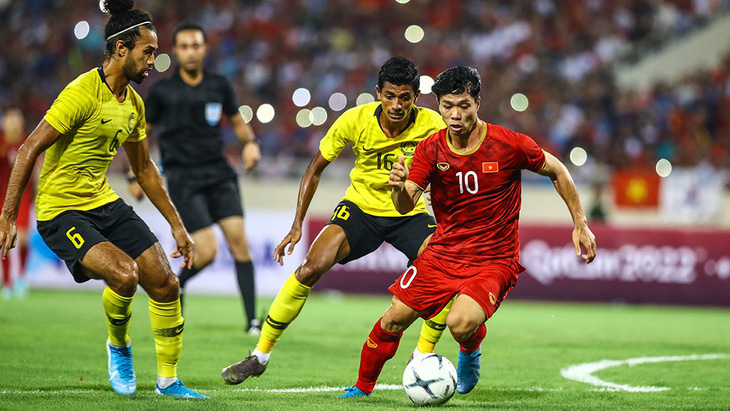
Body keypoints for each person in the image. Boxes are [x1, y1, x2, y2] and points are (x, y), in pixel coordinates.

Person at [339, 66, 597, 398]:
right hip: (443, 254)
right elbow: (405, 204)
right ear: (438, 105)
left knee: (459, 323)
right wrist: (398, 187)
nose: (455, 114)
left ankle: (470, 348)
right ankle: (362, 389)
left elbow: (558, 170)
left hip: (493, 260)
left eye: (463, 105)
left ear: (477, 101)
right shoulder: (430, 149)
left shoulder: (507, 144)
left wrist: (580, 223)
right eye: (447, 106)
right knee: (393, 319)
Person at [0, 0, 206, 399]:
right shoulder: (81, 93)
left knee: (165, 283)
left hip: (103, 202)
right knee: (125, 274)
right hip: (61, 210)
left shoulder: (133, 103)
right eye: (148, 52)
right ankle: (119, 346)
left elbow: (144, 170)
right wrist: (8, 216)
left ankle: (168, 382)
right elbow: (27, 150)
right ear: (122, 49)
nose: (153, 62)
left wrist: (178, 226)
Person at [221, 57, 453, 385]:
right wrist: (297, 224)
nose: (396, 105)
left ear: (416, 96)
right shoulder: (355, 120)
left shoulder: (434, 123)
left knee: (443, 268)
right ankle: (259, 355)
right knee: (309, 267)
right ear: (378, 93)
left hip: (409, 212)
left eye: (404, 97)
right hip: (360, 208)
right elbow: (314, 168)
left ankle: (422, 356)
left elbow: (461, 160)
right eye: (389, 96)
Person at [129, 22, 262, 335]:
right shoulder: (162, 91)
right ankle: (179, 284)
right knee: (208, 251)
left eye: (196, 45)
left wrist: (250, 143)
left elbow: (238, 122)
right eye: (185, 46)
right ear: (175, 51)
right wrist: (137, 174)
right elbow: (141, 136)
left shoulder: (219, 85)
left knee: (240, 243)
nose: (191, 51)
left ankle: (252, 321)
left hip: (219, 174)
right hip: (183, 178)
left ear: (204, 49)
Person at [0, 108, 33, 299]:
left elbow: (37, 166)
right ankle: (7, 282)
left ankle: (21, 276)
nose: (12, 123)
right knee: (3, 238)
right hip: (1, 197)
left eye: (16, 119)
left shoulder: (28, 141)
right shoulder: (1, 143)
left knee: (22, 239)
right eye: (9, 119)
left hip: (23, 197)